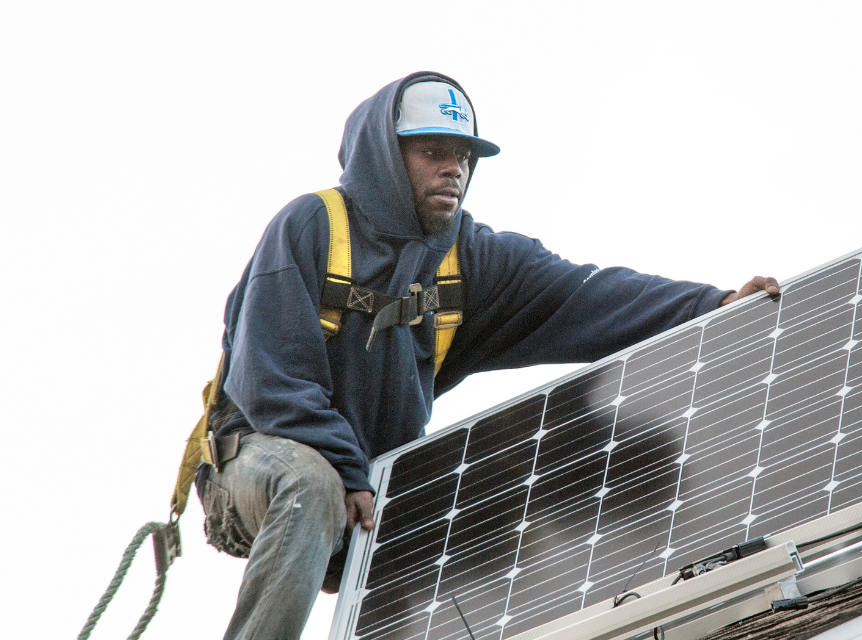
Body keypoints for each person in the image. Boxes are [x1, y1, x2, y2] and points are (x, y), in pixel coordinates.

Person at [197, 71, 781, 640]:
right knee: (313, 483)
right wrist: (350, 472)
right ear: (384, 157)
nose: (455, 168)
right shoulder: (312, 226)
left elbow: (583, 295)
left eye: (465, 157)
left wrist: (712, 303)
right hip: (257, 464)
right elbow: (272, 383)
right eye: (434, 152)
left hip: (367, 491)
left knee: (477, 516)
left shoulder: (468, 259)